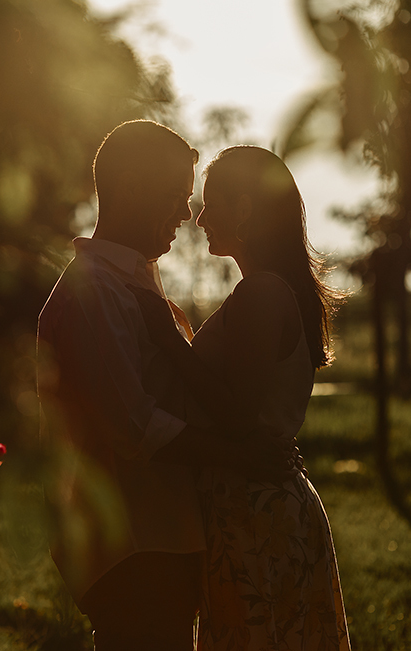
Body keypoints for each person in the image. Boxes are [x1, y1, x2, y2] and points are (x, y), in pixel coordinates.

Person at [37, 121, 293, 651]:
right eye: (176, 195)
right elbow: (133, 427)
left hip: (165, 538)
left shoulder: (135, 281)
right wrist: (240, 456)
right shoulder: (95, 292)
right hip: (134, 546)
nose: (186, 211)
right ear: (130, 186)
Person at [133, 145, 351, 650]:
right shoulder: (267, 290)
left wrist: (170, 341)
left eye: (212, 204)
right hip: (254, 507)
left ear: (246, 209)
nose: (200, 217)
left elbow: (235, 416)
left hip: (257, 513)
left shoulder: (263, 293)